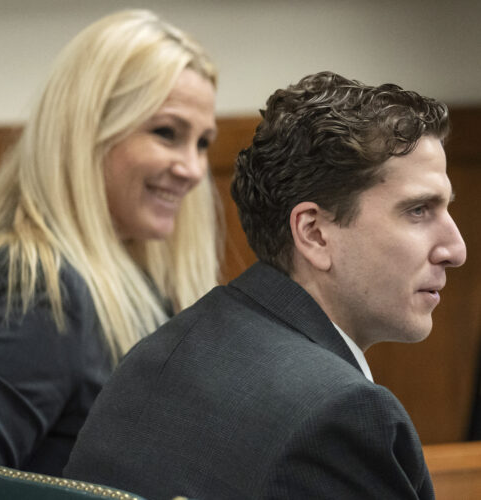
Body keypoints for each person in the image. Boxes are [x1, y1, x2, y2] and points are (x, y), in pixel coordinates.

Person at [64, 71, 466, 499]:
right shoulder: (341, 415)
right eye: (419, 210)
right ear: (313, 233)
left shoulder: (163, 350)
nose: (455, 249)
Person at [0, 9, 220, 476]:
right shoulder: (41, 293)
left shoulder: (126, 274)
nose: (193, 169)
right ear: (85, 132)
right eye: (166, 133)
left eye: (204, 143)